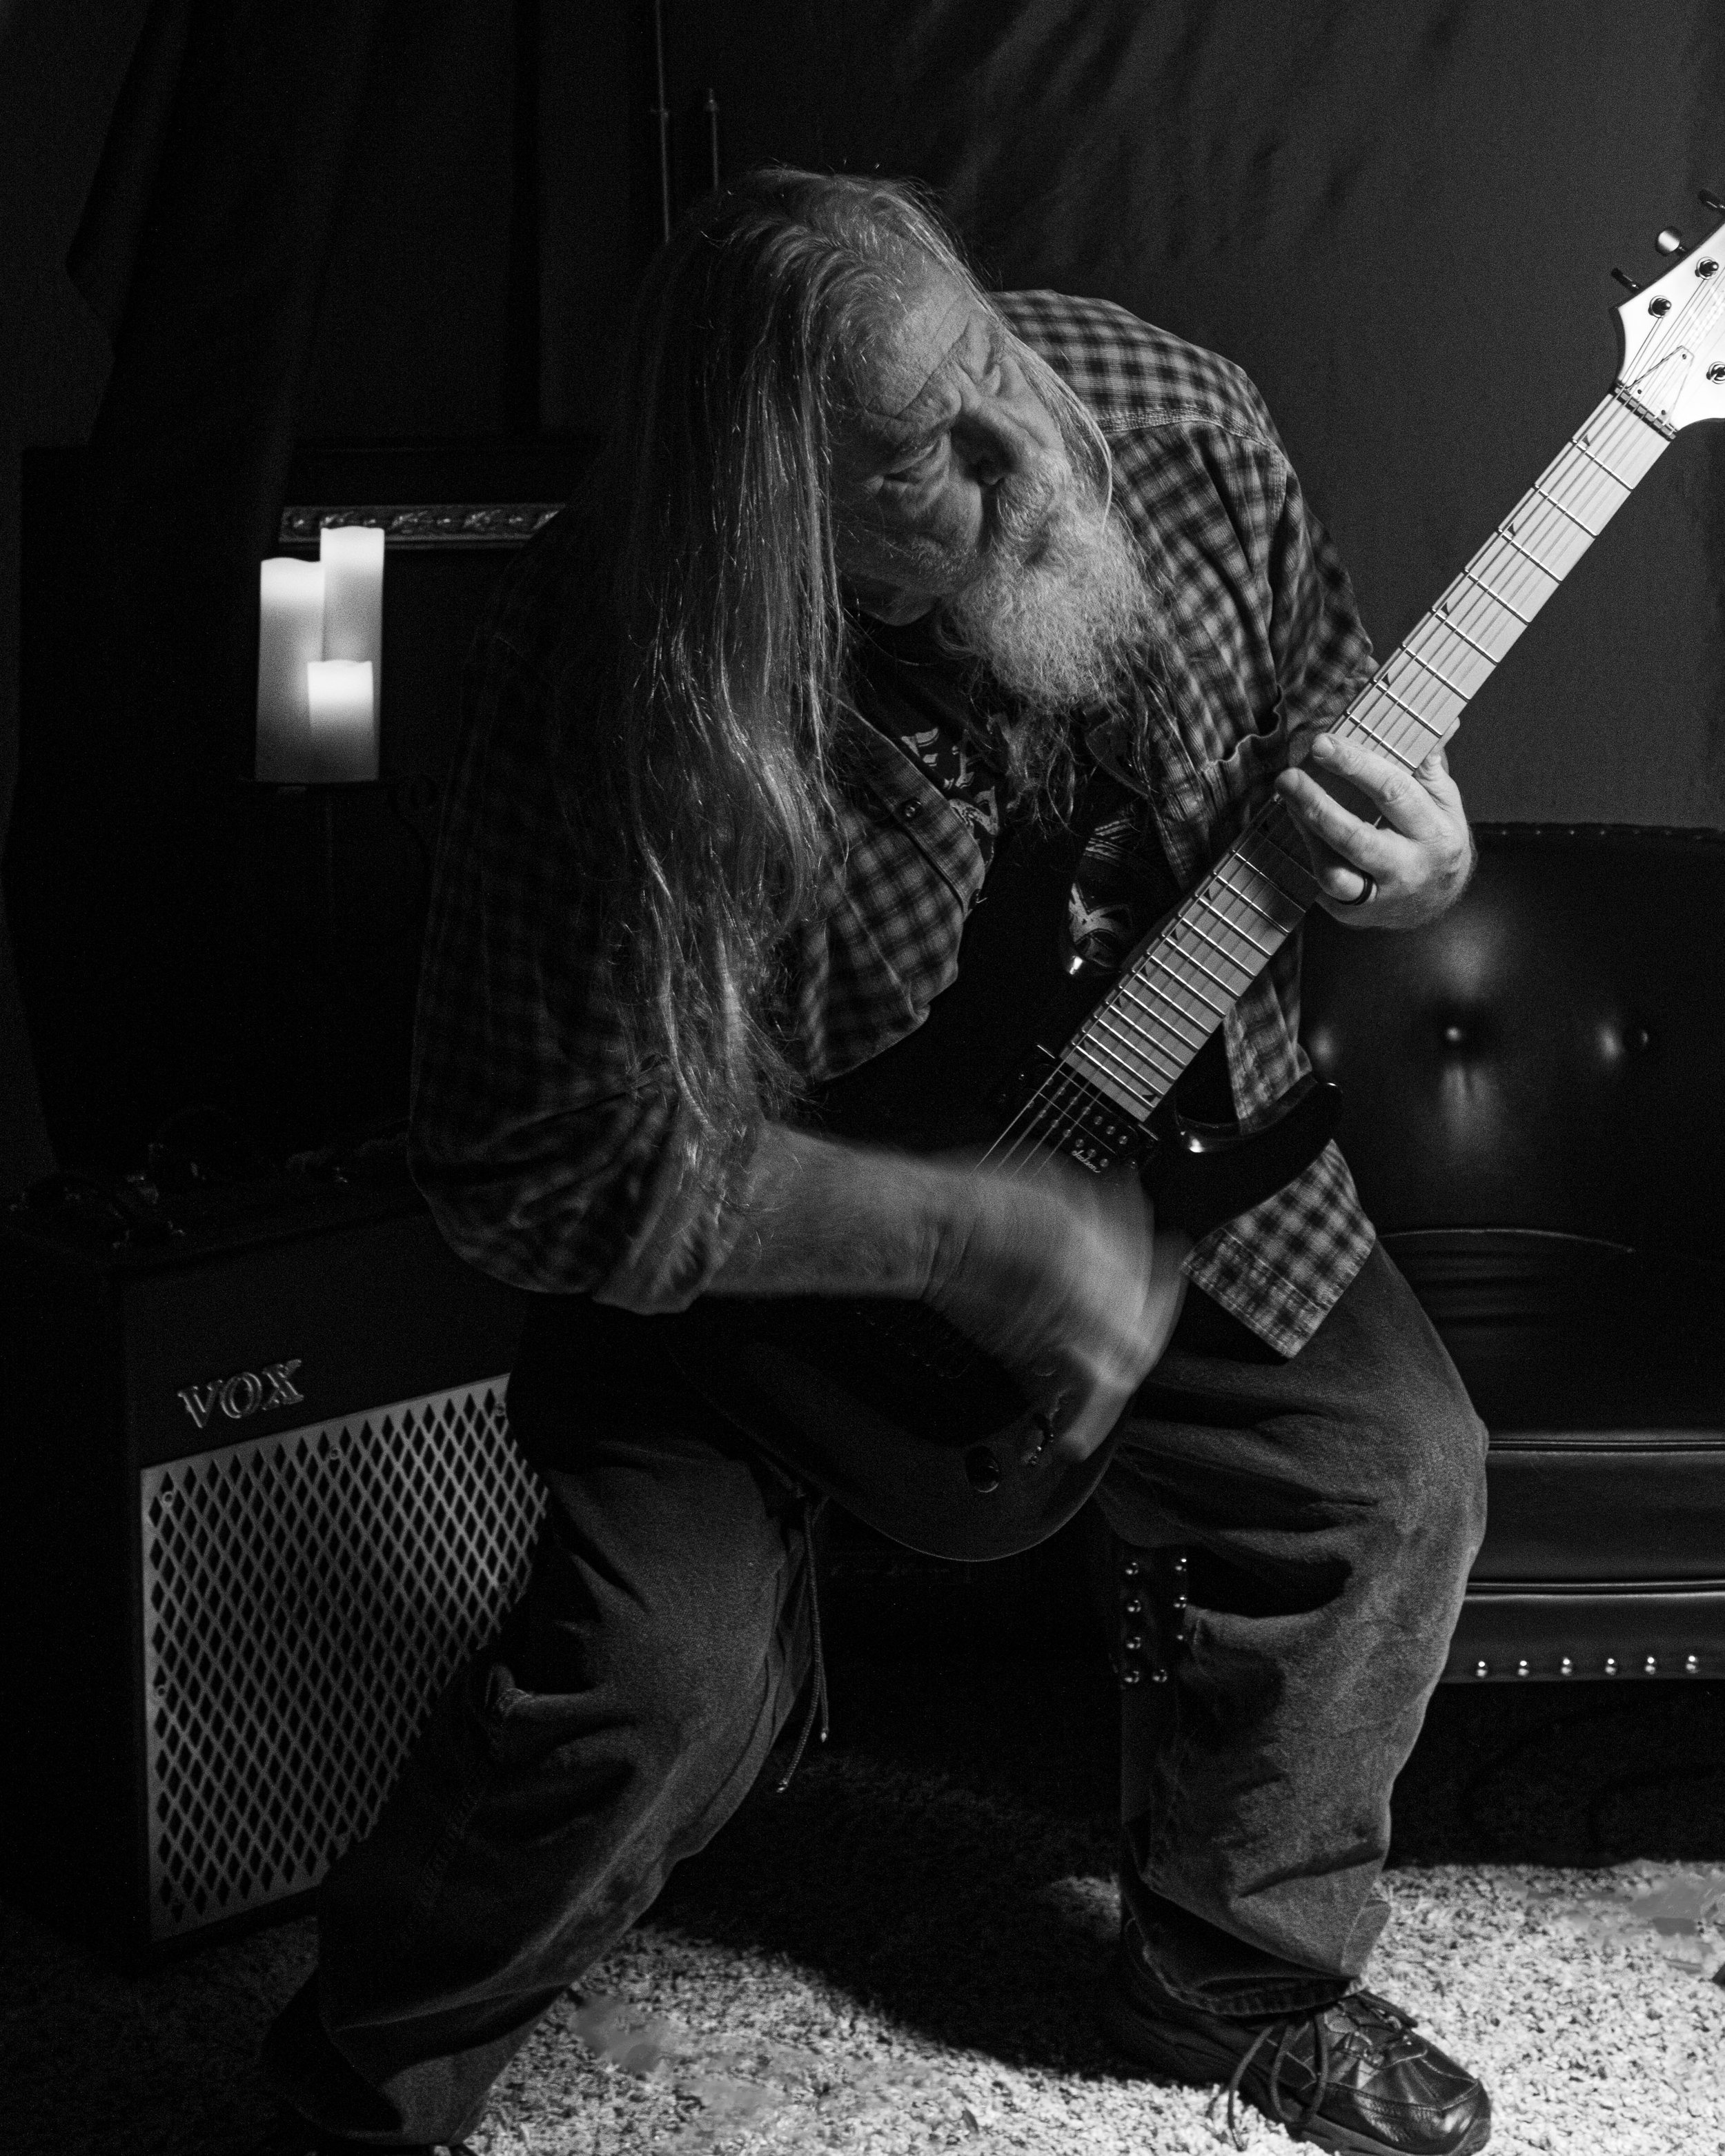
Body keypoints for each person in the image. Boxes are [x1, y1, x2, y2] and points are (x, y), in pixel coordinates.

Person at [259, 168, 1490, 2156]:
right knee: (644, 1694)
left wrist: (1421, 854)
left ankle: (1229, 1978)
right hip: (765, 1267)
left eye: (986, 357)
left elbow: (1333, 722)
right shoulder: (607, 661)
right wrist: (944, 1228)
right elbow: (514, 1164)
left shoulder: (1173, 419)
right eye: (925, 448)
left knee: (1397, 1476)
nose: (1029, 454)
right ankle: (366, 2062)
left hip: (1168, 1157)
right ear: (777, 517)